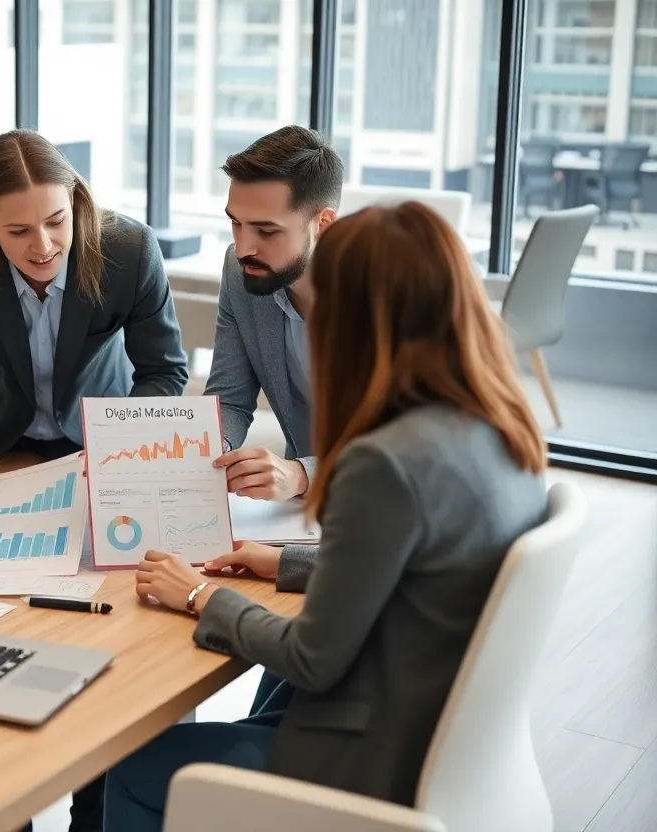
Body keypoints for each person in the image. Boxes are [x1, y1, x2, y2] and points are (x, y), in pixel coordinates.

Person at [103, 201, 549, 831]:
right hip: (441, 730)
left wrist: (200, 593)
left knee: (135, 768)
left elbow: (313, 657)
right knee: (268, 697)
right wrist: (286, 559)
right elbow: (427, 567)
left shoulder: (386, 463)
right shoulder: (500, 428)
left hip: (374, 757)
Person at [0, 129, 189, 496]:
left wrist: (124, 444)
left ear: (74, 200)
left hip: (104, 443)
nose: (44, 246)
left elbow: (163, 371)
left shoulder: (131, 250)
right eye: (19, 231)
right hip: (2, 443)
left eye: (56, 221)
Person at [203, 124, 343, 599]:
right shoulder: (239, 272)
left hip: (382, 512)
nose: (244, 247)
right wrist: (201, 454)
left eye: (266, 231)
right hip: (301, 518)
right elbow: (228, 398)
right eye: (235, 223)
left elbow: (405, 443)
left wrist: (302, 473)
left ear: (322, 225)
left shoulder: (381, 294)